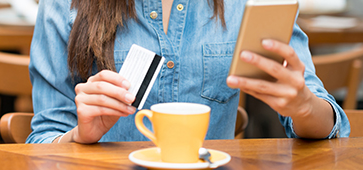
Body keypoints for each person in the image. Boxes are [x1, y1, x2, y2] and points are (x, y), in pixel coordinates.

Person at [27, 0, 350, 144]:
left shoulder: (251, 4)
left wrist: (305, 107)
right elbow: (43, 139)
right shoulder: (62, 4)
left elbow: (329, 127)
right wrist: (78, 136)